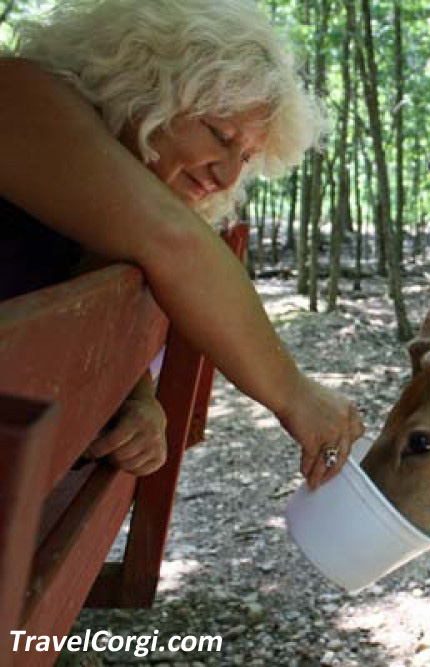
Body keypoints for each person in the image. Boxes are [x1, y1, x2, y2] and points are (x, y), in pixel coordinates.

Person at [0, 0, 363, 489]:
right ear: (146, 85)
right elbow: (171, 239)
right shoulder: (17, 96)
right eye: (219, 133)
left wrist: (139, 401)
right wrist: (294, 393)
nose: (229, 174)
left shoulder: (106, 222)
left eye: (247, 156)